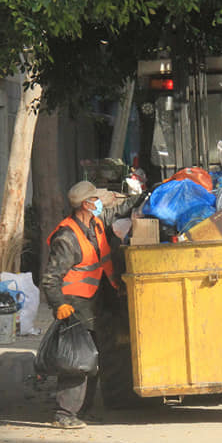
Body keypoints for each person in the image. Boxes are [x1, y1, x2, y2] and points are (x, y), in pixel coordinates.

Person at [41, 180, 141, 429]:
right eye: (96, 199)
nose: (99, 202)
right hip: (74, 305)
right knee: (77, 360)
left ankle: (82, 410)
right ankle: (64, 413)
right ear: (86, 204)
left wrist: (144, 196)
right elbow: (50, 279)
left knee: (93, 356)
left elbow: (118, 209)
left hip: (94, 300)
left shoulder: (95, 223)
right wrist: (59, 305)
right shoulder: (67, 237)